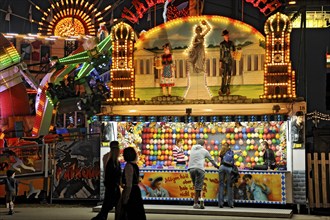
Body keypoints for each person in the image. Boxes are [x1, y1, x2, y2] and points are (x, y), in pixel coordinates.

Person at [92, 141, 121, 220]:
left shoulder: (108, 158)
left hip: (110, 185)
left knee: (107, 206)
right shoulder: (113, 160)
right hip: (113, 185)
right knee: (112, 206)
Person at [188, 139, 219, 209]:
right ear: (204, 145)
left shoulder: (192, 148)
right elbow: (211, 160)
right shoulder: (205, 151)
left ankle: (200, 201)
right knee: (198, 187)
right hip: (199, 169)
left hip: (191, 169)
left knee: (196, 186)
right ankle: (196, 203)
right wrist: (217, 166)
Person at [116, 147, 146, 220]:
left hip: (131, 193)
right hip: (136, 191)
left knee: (130, 213)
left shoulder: (128, 166)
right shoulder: (135, 165)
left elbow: (129, 184)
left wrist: (125, 198)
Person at [219, 29, 236, 96]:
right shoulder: (221, 44)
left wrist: (234, 55)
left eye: (227, 35)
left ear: (228, 35)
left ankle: (228, 89)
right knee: (223, 76)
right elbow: (221, 54)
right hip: (224, 61)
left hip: (230, 61)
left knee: (229, 75)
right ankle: (221, 89)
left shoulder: (232, 43)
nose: (226, 36)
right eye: (225, 35)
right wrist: (220, 63)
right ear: (223, 36)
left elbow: (234, 52)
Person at [218, 142, 234, 208]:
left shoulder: (221, 151)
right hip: (229, 168)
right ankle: (230, 204)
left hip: (222, 168)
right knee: (229, 185)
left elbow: (220, 160)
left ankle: (221, 203)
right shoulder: (230, 151)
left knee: (221, 185)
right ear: (229, 146)